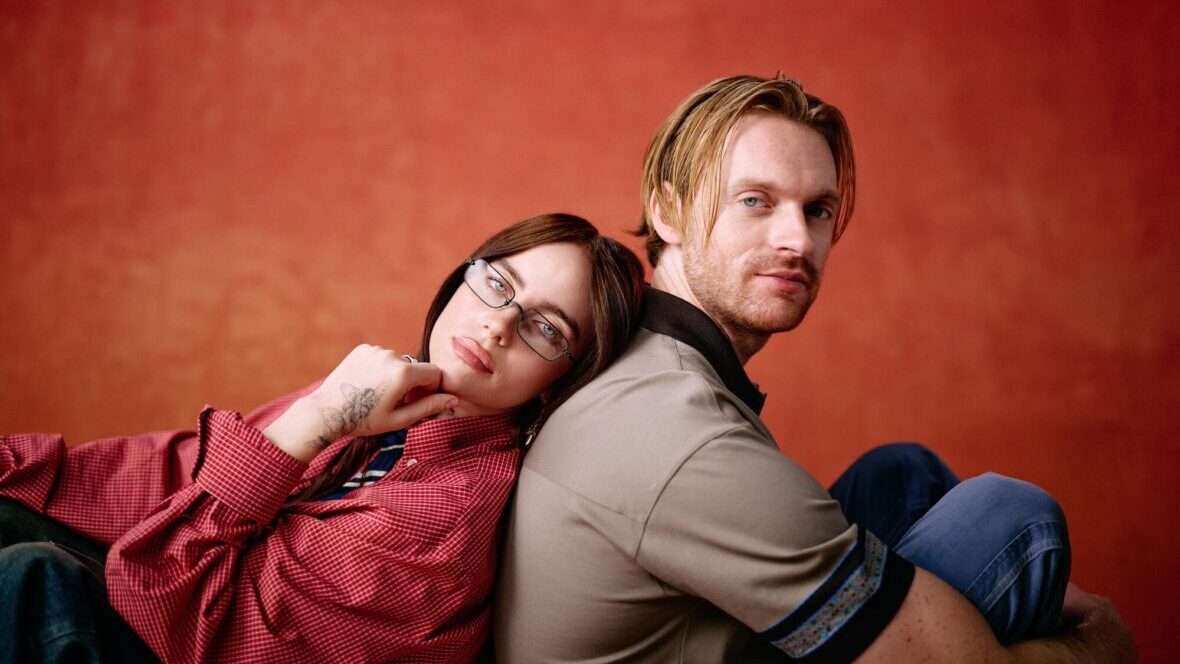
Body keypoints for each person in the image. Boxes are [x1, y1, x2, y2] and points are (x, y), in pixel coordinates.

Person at [493, 77, 1136, 662]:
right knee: (1016, 516)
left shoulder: (643, 358)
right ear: (669, 212)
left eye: (817, 210)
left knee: (900, 474)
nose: (797, 241)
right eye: (755, 201)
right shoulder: (682, 437)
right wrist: (1099, 643)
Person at [0, 213, 646, 663]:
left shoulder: (444, 520)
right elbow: (178, 471)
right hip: (177, 597)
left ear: (561, 381)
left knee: (36, 579)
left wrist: (312, 422)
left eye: (547, 329)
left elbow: (173, 608)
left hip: (186, 634)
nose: (498, 324)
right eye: (499, 284)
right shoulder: (393, 395)